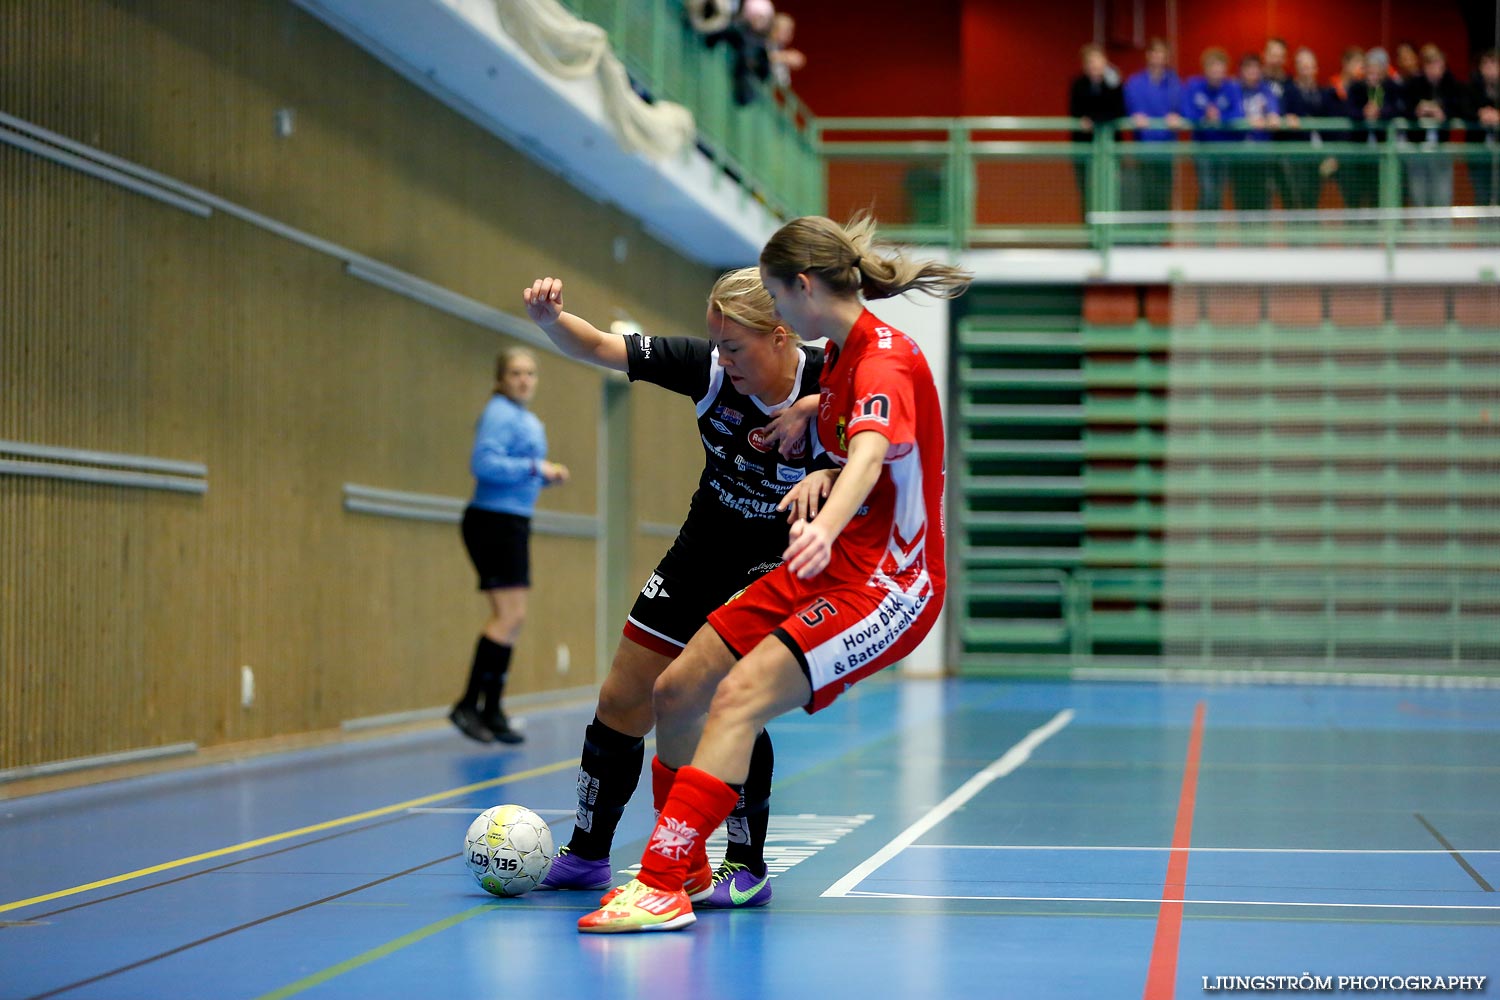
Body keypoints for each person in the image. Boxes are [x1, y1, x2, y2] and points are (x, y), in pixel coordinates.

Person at [575, 213, 971, 933]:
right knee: (676, 689)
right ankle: (691, 865)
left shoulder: (881, 358)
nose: (774, 311)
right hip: (838, 563)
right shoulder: (845, 357)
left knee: (736, 699)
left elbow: (872, 452)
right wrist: (816, 411)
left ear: (802, 289)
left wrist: (824, 517)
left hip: (891, 583)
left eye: (774, 296)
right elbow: (851, 421)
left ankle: (661, 882)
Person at [521, 267, 825, 908]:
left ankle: (744, 863)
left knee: (723, 700)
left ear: (779, 337)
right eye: (716, 344)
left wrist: (816, 406)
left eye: (735, 347)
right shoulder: (709, 370)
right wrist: (552, 323)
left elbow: (900, 409)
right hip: (703, 550)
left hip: (780, 563)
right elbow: (601, 345)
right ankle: (587, 852)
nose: (723, 359)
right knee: (623, 697)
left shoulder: (832, 374)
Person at [451, 348, 570, 745]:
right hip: (493, 521)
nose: (524, 380)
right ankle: (469, 705)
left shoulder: (528, 420)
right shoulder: (498, 413)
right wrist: (536, 468)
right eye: (516, 373)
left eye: (530, 373)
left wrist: (543, 477)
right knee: (507, 617)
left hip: (513, 521)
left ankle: (492, 709)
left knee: (513, 619)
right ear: (501, 379)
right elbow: (483, 464)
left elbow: (519, 468)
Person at [1404, 44, 1469, 213]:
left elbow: (1462, 109)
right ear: (1424, 66)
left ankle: (1441, 238)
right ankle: (1422, 237)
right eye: (1430, 65)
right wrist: (1417, 110)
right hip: (1417, 149)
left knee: (1442, 196)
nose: (1434, 69)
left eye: (1438, 64)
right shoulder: (1413, 84)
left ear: (1443, 66)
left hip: (1441, 150)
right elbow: (1403, 109)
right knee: (1418, 196)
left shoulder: (1452, 85)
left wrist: (1443, 112)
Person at [1123, 37, 1185, 211]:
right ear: (1148, 56)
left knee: (1164, 194)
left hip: (1167, 150)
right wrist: (1136, 117)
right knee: (1145, 193)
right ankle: (1146, 237)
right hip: (1144, 149)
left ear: (1166, 57)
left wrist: (1176, 116)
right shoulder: (1135, 82)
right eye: (1155, 53)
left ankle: (1160, 236)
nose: (1158, 57)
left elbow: (1181, 109)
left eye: (1162, 53)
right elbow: (1131, 109)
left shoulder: (1174, 82)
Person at [1069, 42, 1127, 219]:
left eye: (1099, 61)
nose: (1095, 66)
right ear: (1085, 65)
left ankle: (1111, 234)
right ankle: (1090, 235)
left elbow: (1116, 112)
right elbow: (1077, 112)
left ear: (1105, 63)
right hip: (1085, 149)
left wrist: (1094, 118)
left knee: (1111, 191)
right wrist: (1095, 117)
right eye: (1091, 62)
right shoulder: (1078, 85)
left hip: (1111, 150)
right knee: (1087, 192)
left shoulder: (1114, 85)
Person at [1182, 47, 1244, 210]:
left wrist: (1220, 118)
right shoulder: (1194, 85)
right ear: (1205, 69)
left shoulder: (1232, 87)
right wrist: (1204, 116)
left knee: (1218, 193)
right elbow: (1186, 111)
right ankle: (1204, 230)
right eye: (1212, 67)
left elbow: (1238, 113)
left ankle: (1211, 231)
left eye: (1220, 68)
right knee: (1207, 190)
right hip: (1202, 148)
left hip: (1225, 149)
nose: (1216, 71)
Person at [1281, 47, 1343, 209]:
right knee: (1295, 199)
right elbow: (1282, 115)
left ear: (1316, 68)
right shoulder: (1288, 92)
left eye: (1310, 66)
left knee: (1313, 199)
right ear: (1297, 68)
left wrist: (1331, 154)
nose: (1306, 70)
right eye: (1303, 66)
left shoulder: (1325, 94)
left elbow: (1331, 127)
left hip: (1318, 155)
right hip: (1295, 155)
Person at [1345, 47, 1405, 208]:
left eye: (1377, 69)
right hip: (1359, 153)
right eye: (1370, 68)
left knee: (1379, 195)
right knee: (1356, 195)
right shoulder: (1356, 88)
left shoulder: (1391, 87)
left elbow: (1399, 109)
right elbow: (1350, 110)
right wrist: (1363, 113)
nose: (1373, 73)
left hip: (1383, 153)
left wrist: (1380, 112)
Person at [1234, 52, 1282, 211]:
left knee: (1263, 198)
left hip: (1263, 154)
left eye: (1255, 68)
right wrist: (1248, 121)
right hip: (1240, 155)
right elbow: (1232, 113)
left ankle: (1261, 234)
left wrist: (1273, 116)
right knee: (1243, 199)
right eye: (1248, 68)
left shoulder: (1266, 90)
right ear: (1241, 71)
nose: (1252, 72)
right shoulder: (1235, 90)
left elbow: (1273, 111)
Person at [1467, 49, 1499, 206]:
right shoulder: (1473, 87)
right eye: (1485, 64)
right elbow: (1463, 108)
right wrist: (1480, 113)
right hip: (1478, 154)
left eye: (1493, 64)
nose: (1490, 68)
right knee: (1481, 196)